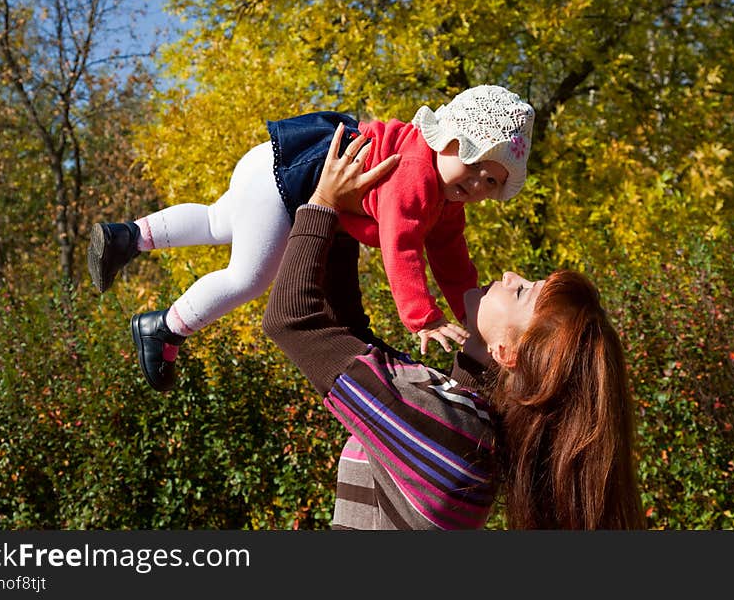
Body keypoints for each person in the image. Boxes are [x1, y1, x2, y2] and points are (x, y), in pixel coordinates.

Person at [261, 127, 645, 529]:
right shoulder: (467, 420)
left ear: (507, 354)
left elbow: (292, 322)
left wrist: (322, 203)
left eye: (521, 293)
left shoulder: (450, 429)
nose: (511, 275)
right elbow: (350, 335)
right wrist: (346, 216)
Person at [88, 85, 535, 391]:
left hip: (277, 162)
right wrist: (424, 317)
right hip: (294, 181)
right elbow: (402, 248)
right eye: (474, 163)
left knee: (216, 221)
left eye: (491, 181)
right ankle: (163, 327)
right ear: (445, 139)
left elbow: (453, 261)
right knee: (249, 277)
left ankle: (129, 236)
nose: (477, 183)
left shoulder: (446, 201)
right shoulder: (415, 174)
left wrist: (473, 312)